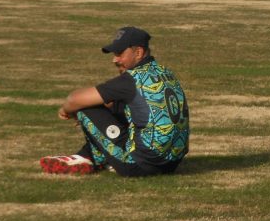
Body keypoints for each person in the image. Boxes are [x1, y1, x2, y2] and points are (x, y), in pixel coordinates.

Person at [40, 26, 189, 176]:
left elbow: (74, 100)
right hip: (172, 163)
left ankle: (92, 158)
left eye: (119, 53)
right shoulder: (165, 72)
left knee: (85, 109)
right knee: (117, 106)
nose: (115, 59)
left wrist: (65, 111)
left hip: (138, 165)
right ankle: (87, 156)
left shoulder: (131, 79)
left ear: (138, 52)